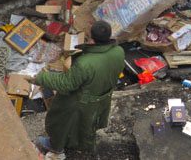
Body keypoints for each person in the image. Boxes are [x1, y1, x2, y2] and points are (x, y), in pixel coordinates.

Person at [27, 21, 125, 160]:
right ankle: (79, 142)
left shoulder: (85, 63)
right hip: (103, 95)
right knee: (88, 124)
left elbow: (66, 84)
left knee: (62, 123)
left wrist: (41, 77)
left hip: (81, 101)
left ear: (92, 38)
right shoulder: (118, 52)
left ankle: (56, 146)